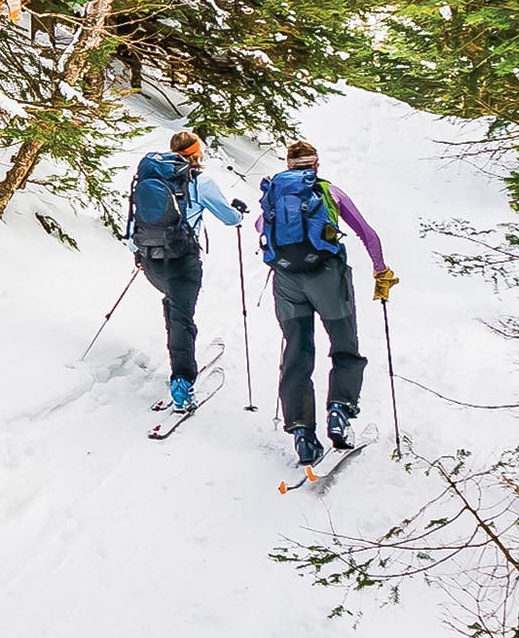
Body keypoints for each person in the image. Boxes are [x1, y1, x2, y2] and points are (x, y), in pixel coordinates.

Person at [259, 140, 394, 465]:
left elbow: (261, 227)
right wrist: (381, 271)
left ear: (289, 165)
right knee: (345, 345)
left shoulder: (274, 193)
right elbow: (367, 233)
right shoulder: (329, 192)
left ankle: (303, 434)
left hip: (287, 280)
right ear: (316, 165)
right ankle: (339, 410)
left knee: (297, 351)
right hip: (327, 277)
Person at [126, 131, 246, 411]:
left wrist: (140, 252)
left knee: (174, 306)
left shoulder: (148, 179)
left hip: (150, 260)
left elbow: (134, 222)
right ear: (196, 153)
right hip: (182, 260)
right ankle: (182, 382)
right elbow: (229, 218)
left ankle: (179, 357)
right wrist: (239, 212)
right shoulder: (199, 181)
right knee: (182, 319)